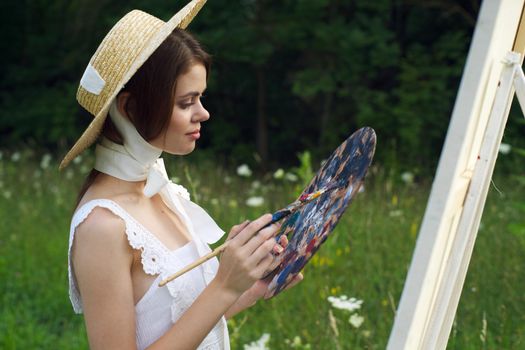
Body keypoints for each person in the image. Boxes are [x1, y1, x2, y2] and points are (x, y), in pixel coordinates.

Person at [59, 1, 302, 349]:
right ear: (130, 107)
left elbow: (178, 322)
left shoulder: (160, 188)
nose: (203, 113)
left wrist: (249, 284)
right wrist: (223, 286)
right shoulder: (102, 226)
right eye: (186, 102)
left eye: (200, 98)